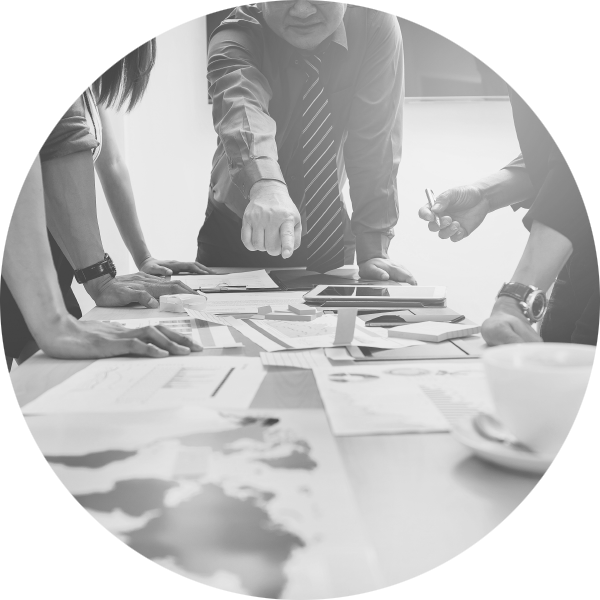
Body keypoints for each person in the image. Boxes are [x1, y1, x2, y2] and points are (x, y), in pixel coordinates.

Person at [0, 0, 200, 378]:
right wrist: (54, 321)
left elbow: (60, 140)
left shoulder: (59, 19)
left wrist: (101, 278)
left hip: (39, 246)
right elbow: (7, 121)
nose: (108, 6)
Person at [419, 0, 600, 346]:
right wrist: (487, 194)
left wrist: (515, 299)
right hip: (584, 245)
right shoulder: (510, 9)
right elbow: (567, 138)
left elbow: (588, 140)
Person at [197, 0, 417, 284]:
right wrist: (266, 188)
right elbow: (242, 111)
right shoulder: (234, 36)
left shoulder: (372, 20)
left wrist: (374, 249)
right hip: (236, 233)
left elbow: (376, 139)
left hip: (328, 231)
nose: (302, 10)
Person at [74, 0, 215, 278]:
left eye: (126, 1)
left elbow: (111, 162)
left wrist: (144, 258)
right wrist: (98, 277)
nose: (108, 7)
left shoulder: (78, 66)